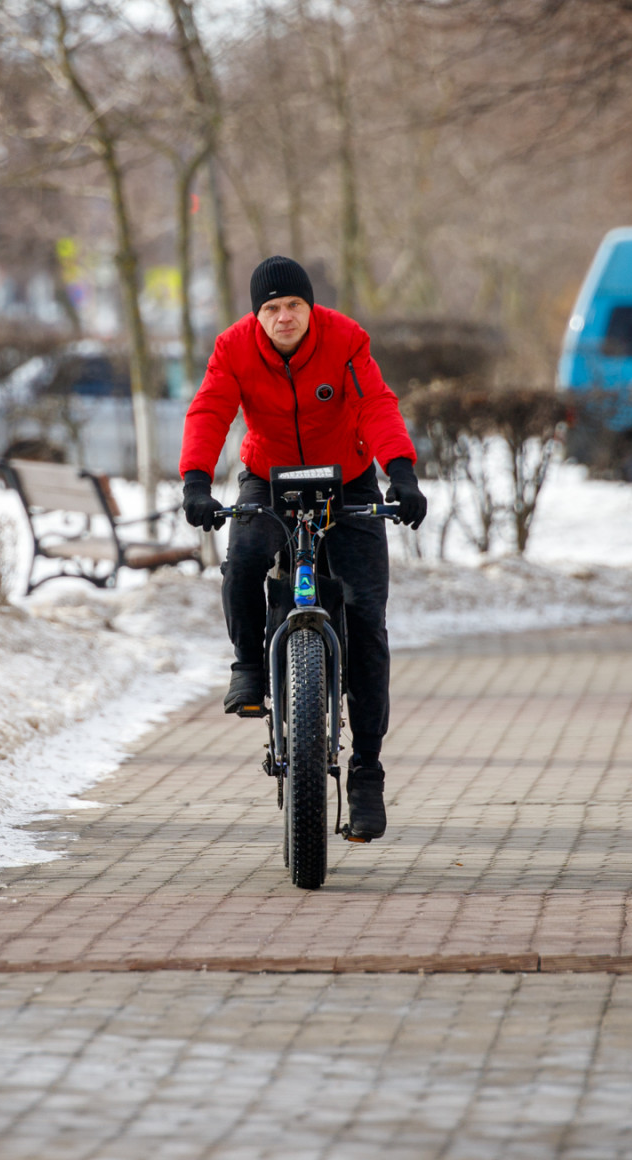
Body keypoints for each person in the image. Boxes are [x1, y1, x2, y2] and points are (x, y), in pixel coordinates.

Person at [179, 255, 426, 841]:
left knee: (366, 616)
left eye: (293, 305)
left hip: (349, 477)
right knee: (242, 563)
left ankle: (366, 769)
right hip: (269, 476)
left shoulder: (345, 340)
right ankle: (247, 665)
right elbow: (211, 410)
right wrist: (195, 479)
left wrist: (402, 472)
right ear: (256, 315)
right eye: (271, 308)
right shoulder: (234, 348)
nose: (283, 316)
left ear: (310, 308)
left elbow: (377, 405)